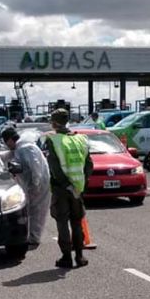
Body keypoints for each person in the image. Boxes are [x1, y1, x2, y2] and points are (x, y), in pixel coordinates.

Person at [47, 109, 93, 269]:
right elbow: (89, 165)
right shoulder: (82, 139)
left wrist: (67, 185)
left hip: (61, 189)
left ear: (54, 123)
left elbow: (54, 168)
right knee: (76, 222)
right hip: (78, 189)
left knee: (62, 222)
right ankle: (80, 256)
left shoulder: (53, 140)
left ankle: (66, 257)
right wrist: (82, 185)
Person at [0, 127, 51, 250]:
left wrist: (36, 184)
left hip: (39, 184)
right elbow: (5, 156)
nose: (7, 146)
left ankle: (34, 239)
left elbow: (35, 167)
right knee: (32, 210)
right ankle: (31, 237)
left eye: (7, 143)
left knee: (37, 211)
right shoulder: (19, 148)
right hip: (33, 185)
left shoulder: (25, 148)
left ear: (11, 140)